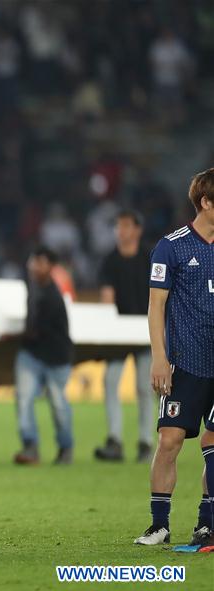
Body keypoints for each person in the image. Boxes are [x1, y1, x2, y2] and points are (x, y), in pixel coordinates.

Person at [135, 167, 214, 549]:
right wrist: (158, 357)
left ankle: (206, 523)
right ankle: (159, 525)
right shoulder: (172, 246)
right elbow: (155, 307)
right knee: (170, 440)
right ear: (205, 202)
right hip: (185, 363)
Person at [95, 209, 154, 463]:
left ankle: (145, 441)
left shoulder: (149, 258)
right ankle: (115, 439)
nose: (121, 231)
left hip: (145, 331)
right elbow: (107, 298)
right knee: (110, 382)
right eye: (118, 226)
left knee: (144, 386)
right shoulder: (110, 261)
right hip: (119, 333)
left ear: (137, 230)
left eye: (126, 226)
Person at [13, 246, 75, 466]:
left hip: (55, 356)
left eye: (38, 261)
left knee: (58, 404)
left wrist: (10, 335)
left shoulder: (52, 297)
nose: (33, 265)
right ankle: (31, 447)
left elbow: (36, 329)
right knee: (24, 398)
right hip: (32, 352)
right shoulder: (33, 286)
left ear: (50, 267)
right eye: (32, 260)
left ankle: (65, 447)